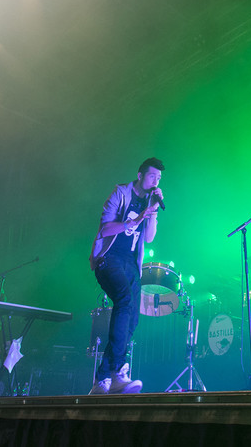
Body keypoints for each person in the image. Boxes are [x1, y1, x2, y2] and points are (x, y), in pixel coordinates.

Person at [88, 157, 165, 394]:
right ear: (140, 175)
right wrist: (137, 218)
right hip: (109, 258)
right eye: (152, 176)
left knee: (132, 319)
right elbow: (105, 229)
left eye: (159, 178)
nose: (155, 181)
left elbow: (149, 237)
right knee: (124, 300)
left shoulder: (149, 201)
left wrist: (152, 212)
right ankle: (118, 370)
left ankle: (102, 379)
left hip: (131, 264)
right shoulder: (120, 193)